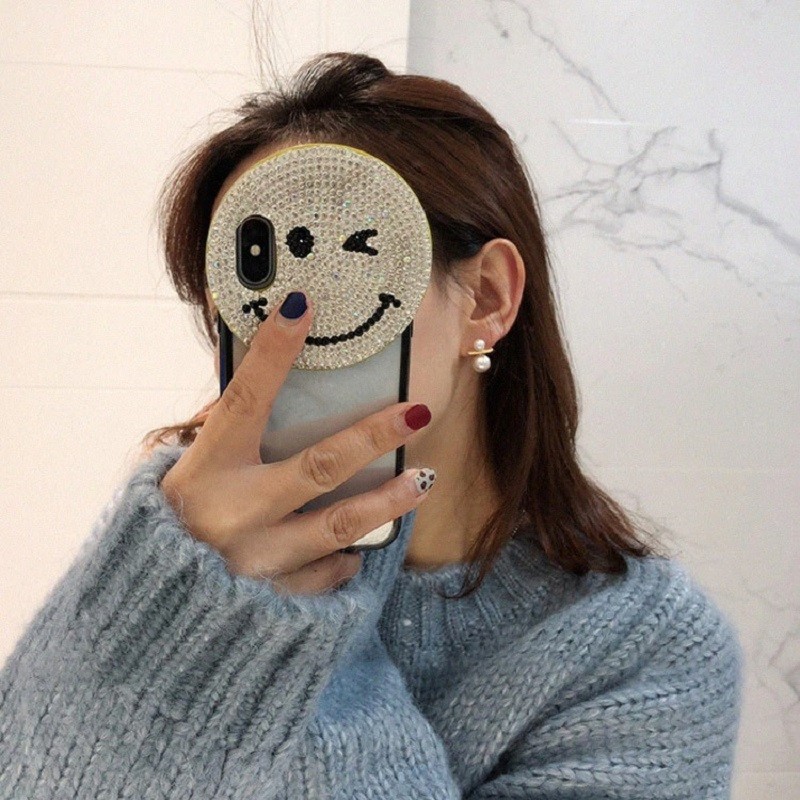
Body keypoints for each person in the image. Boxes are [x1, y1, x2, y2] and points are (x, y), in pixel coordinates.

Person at [0, 52, 743, 798]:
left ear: (486, 298)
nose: (288, 323)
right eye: (253, 272)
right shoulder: (176, 535)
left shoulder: (649, 652)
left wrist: (289, 629)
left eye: (345, 261)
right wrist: (167, 588)